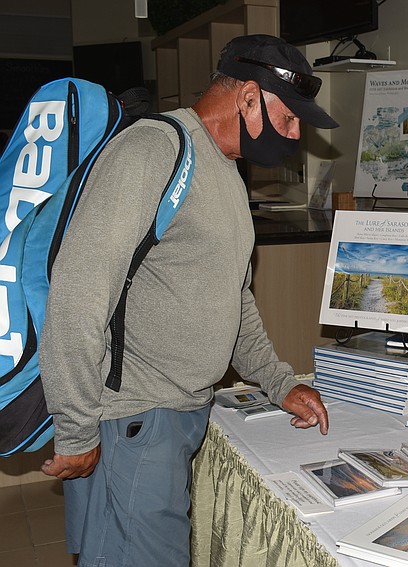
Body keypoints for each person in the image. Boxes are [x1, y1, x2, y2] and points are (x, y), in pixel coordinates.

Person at [39, 34, 335, 567]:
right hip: (133, 419)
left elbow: (234, 297)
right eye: (289, 118)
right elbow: (79, 291)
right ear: (248, 96)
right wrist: (77, 427)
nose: (295, 135)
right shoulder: (153, 149)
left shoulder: (223, 169)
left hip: (177, 416)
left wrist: (279, 380)